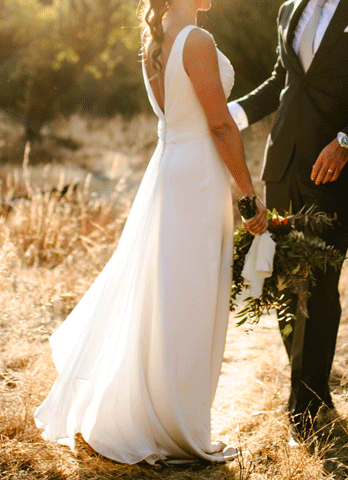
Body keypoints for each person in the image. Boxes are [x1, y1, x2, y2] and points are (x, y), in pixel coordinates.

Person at [34, 0, 267, 465]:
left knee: (165, 299)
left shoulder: (155, 40)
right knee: (190, 301)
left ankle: (158, 415)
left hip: (170, 172)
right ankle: (175, 428)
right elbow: (218, 124)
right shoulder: (196, 40)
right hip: (196, 177)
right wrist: (247, 194)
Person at [228, 0, 348, 443]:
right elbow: (281, 81)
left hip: (336, 167)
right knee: (288, 279)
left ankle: (304, 411)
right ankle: (313, 395)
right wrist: (226, 116)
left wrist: (346, 141)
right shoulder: (291, 7)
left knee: (318, 280)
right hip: (283, 162)